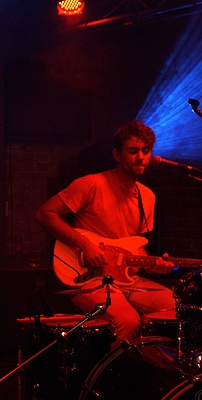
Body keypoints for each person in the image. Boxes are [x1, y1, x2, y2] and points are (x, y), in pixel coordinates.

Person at [35, 120, 176, 345]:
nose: (140, 157)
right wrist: (85, 245)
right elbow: (45, 214)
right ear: (117, 155)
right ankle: (114, 368)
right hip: (90, 279)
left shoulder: (147, 196)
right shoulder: (91, 184)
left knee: (177, 309)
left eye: (146, 150)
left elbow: (136, 247)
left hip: (129, 280)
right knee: (128, 321)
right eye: (133, 151)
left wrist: (154, 265)